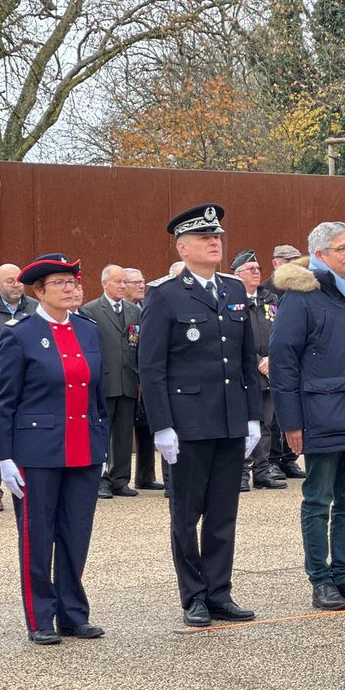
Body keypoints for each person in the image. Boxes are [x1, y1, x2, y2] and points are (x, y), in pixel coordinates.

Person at [139, 204, 262, 628]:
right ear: (182, 246)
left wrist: (251, 416)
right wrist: (162, 426)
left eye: (218, 237)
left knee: (224, 511)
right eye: (205, 237)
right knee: (186, 513)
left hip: (229, 420)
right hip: (187, 422)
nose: (215, 242)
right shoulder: (164, 294)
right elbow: (151, 367)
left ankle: (219, 592)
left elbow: (246, 360)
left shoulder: (232, 291)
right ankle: (193, 595)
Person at [271, 223, 345, 611]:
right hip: (321, 414)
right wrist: (291, 423)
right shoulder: (302, 296)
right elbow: (284, 364)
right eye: (340, 248)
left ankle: (344, 575)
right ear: (319, 255)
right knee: (318, 500)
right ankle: (320, 580)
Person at [0, 254, 110, 644]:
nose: (71, 288)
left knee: (76, 533)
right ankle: (40, 615)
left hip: (83, 448)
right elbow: (5, 399)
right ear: (40, 292)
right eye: (60, 282)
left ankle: (73, 613)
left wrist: (102, 440)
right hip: (37, 450)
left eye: (74, 282)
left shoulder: (88, 330)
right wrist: (5, 455)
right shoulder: (20, 333)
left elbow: (98, 394)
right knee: (38, 535)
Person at [0, 264, 38, 512]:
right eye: (10, 281)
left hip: (29, 388)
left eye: (19, 280)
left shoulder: (34, 308)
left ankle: (28, 485)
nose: (16, 285)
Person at [81, 264, 139, 499]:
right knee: (101, 433)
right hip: (103, 382)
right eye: (118, 282)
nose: (123, 286)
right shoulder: (91, 310)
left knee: (124, 434)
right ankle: (100, 478)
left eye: (125, 281)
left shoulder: (134, 311)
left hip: (128, 381)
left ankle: (120, 479)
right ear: (105, 283)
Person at [232, 249, 286, 491]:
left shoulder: (270, 299)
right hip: (245, 372)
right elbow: (231, 339)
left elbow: (282, 332)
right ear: (237, 274)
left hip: (270, 371)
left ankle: (262, 471)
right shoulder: (232, 300)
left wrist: (272, 359)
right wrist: (256, 361)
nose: (256, 273)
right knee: (244, 424)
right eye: (250, 269)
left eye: (258, 269)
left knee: (266, 423)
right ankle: (240, 471)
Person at [263, 244, 306, 479]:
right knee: (273, 415)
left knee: (295, 410)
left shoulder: (302, 289)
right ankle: (272, 460)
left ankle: (290, 458)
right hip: (272, 359)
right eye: (288, 260)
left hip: (298, 358)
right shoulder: (266, 291)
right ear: (276, 263)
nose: (293, 265)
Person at [125, 266, 162, 491]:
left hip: (146, 375)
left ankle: (146, 476)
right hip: (127, 375)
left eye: (142, 281)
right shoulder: (124, 311)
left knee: (148, 426)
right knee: (121, 430)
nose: (142, 286)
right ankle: (116, 476)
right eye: (135, 282)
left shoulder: (147, 306)